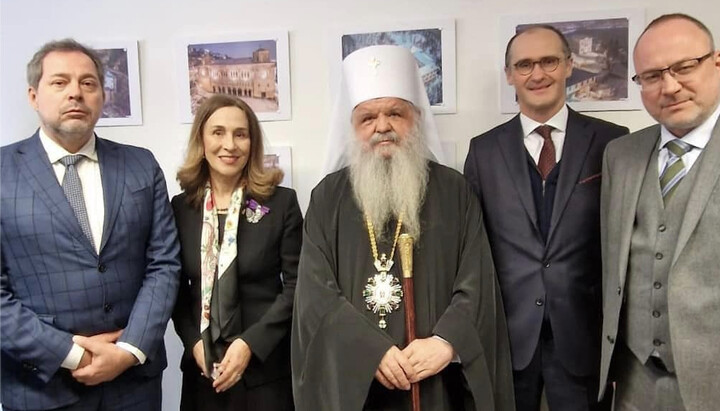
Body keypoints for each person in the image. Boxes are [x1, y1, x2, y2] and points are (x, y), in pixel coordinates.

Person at [292, 44, 514, 411]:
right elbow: (316, 295)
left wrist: (446, 341)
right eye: (368, 118)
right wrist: (370, 351)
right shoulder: (327, 197)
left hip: (435, 382)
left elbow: (477, 280)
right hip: (356, 387)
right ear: (353, 127)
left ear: (416, 119)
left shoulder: (453, 190)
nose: (382, 126)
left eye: (395, 113)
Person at [0, 39, 180, 410]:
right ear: (34, 96)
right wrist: (71, 355)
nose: (75, 94)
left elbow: (164, 264)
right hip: (42, 386)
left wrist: (129, 350)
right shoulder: (3, 171)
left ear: (102, 95)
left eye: (87, 83)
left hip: (133, 385)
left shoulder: (141, 166)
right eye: (60, 82)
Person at [464, 26, 628, 411]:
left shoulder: (612, 142)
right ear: (509, 75)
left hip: (584, 336)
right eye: (524, 65)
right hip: (508, 337)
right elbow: (473, 248)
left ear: (569, 66)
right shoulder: (483, 151)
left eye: (549, 61)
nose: (537, 74)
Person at [599, 13, 720, 410]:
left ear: (716, 63)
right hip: (633, 383)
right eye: (652, 76)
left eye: (685, 67)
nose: (670, 86)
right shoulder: (621, 155)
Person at [172, 94, 302, 411]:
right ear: (202, 141)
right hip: (203, 372)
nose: (229, 144)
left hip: (265, 371)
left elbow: (298, 286)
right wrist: (194, 344)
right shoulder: (180, 208)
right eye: (218, 132)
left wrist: (249, 344)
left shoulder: (281, 203)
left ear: (251, 143)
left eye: (240, 134)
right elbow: (174, 290)